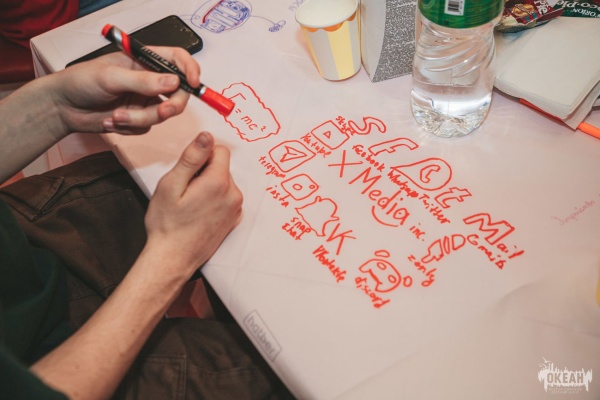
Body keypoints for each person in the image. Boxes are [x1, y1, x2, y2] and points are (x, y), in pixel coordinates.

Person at [0, 47, 292, 399]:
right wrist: (172, 257)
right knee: (293, 372)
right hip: (49, 374)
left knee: (207, 191)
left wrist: (56, 105)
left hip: (21, 252)